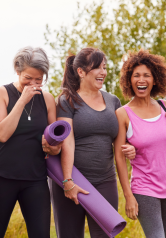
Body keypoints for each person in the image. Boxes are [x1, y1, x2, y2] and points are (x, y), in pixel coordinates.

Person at [50, 47, 136, 238]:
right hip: (74, 180)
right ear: (80, 71)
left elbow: (121, 141)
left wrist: (130, 147)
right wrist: (67, 180)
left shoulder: (113, 101)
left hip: (105, 181)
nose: (103, 72)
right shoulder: (67, 100)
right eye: (97, 67)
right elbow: (67, 142)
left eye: (104, 67)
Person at [0, 46, 61, 238]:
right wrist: (21, 101)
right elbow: (2, 134)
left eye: (39, 80)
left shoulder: (48, 99)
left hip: (35, 180)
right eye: (28, 78)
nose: (33, 84)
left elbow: (57, 144)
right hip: (0, 177)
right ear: (17, 71)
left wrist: (53, 147)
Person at [114, 49, 166, 238]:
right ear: (129, 80)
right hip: (145, 187)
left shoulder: (165, 107)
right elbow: (119, 157)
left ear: (155, 80)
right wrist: (128, 195)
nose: (141, 80)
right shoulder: (123, 114)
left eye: (147, 75)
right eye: (136, 75)